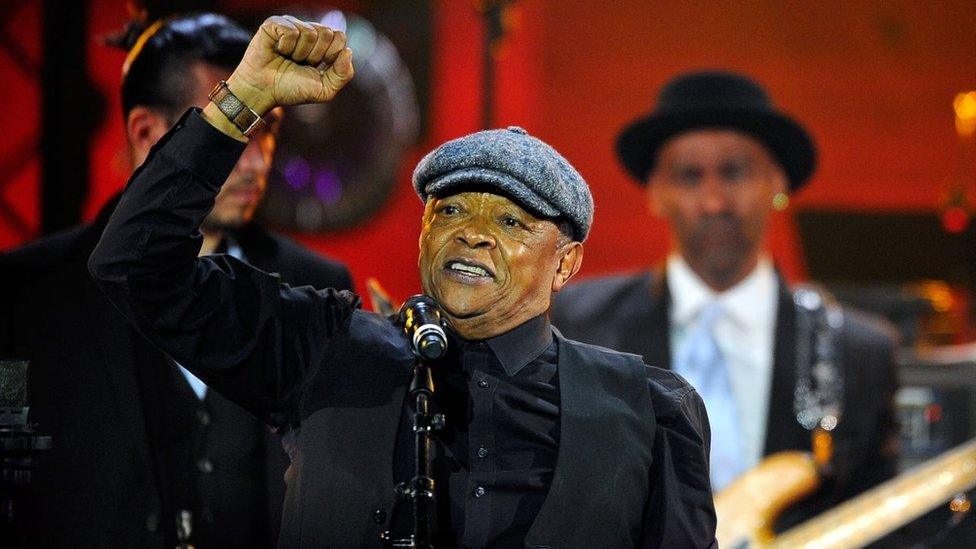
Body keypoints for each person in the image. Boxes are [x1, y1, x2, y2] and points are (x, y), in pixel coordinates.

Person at [88, 16, 718, 548]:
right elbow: (134, 265)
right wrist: (241, 101)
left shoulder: (651, 412)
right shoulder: (317, 348)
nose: (470, 234)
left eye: (508, 220)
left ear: (566, 263)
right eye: (448, 210)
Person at [0, 13, 352, 548]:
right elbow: (10, 465)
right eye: (238, 133)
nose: (257, 164)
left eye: (269, 133)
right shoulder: (26, 293)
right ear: (145, 133)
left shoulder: (314, 283)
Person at [551, 70, 899, 528]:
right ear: (656, 192)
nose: (714, 201)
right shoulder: (576, 327)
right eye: (690, 176)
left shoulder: (857, 352)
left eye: (735, 172)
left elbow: (882, 525)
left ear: (778, 182)